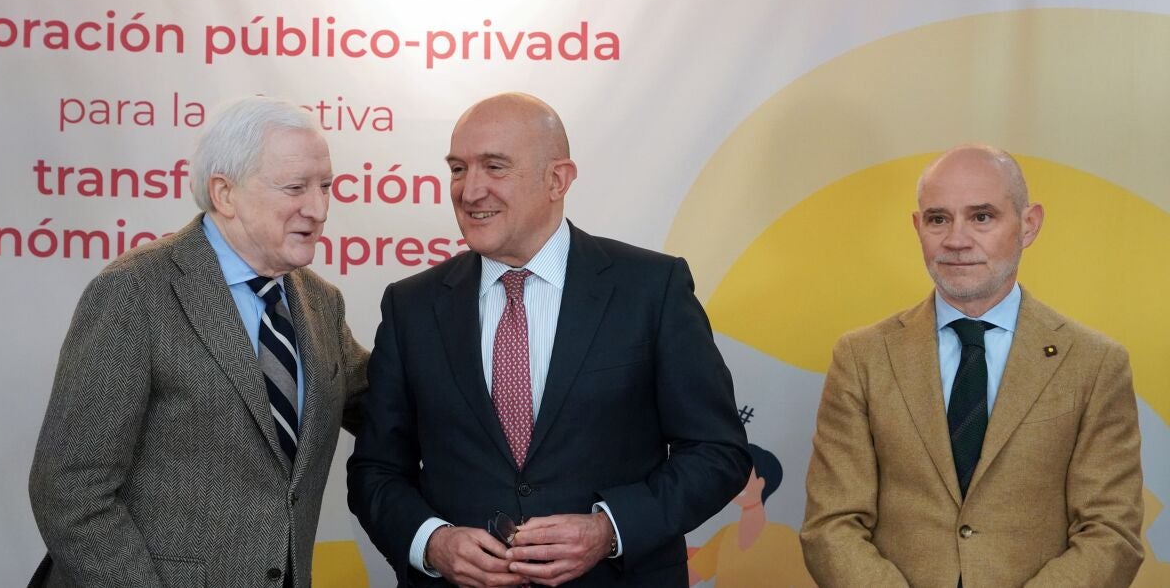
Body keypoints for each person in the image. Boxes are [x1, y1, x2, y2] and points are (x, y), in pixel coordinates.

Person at [347, 91, 750, 587]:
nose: (469, 191)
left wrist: (609, 529)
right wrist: (431, 542)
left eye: (494, 167)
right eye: (458, 169)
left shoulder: (651, 288)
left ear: (557, 179)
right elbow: (375, 470)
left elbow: (716, 451)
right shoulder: (411, 306)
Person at [28, 96, 369, 588]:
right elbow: (69, 490)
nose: (318, 209)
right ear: (225, 193)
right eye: (296, 187)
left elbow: (385, 404)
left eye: (326, 186)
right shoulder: (134, 291)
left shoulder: (320, 302)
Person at [800, 145, 1144, 587]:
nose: (956, 240)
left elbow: (1111, 533)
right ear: (918, 227)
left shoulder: (1095, 363)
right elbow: (831, 525)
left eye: (982, 217)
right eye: (938, 219)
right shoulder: (861, 357)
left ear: (1029, 225)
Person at [688, 445, 815, 587]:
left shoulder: (785, 537)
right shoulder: (726, 535)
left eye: (745, 475)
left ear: (761, 483)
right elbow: (689, 575)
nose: (736, 481)